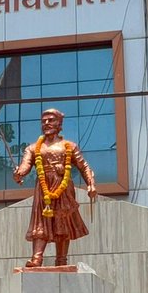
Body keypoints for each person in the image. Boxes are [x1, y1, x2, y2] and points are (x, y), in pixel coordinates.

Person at [12, 107, 97, 267]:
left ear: (59, 124)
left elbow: (84, 166)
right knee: (40, 222)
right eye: (43, 121)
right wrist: (19, 173)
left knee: (62, 222)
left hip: (63, 188)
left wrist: (91, 184)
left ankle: (61, 259)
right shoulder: (32, 148)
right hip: (43, 189)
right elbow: (25, 166)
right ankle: (37, 258)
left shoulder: (69, 146)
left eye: (51, 120)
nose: (46, 123)